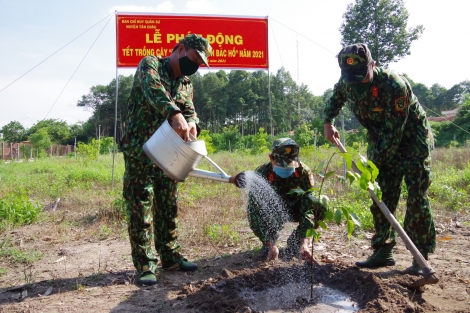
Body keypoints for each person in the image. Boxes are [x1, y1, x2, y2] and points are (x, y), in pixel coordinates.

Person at [323, 43, 436, 274]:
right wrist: (328, 122)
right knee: (382, 195)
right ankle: (383, 251)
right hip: (380, 138)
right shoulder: (348, 80)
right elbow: (336, 98)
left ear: (372, 65)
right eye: (351, 77)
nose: (357, 81)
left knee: (416, 197)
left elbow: (393, 134)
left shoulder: (394, 85)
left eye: (362, 76)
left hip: (412, 140)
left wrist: (370, 167)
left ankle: (419, 256)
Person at [119, 34, 212, 285]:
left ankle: (170, 256)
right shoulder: (150, 65)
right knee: (141, 207)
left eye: (199, 63)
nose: (195, 66)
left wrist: (192, 123)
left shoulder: (185, 83)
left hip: (169, 152)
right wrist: (174, 113)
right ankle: (145, 265)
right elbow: (153, 89)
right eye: (193, 58)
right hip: (141, 150)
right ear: (181, 49)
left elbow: (190, 111)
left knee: (168, 205)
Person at [231, 138, 326, 263]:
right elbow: (256, 206)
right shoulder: (262, 173)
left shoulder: (303, 172)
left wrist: (305, 242)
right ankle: (269, 244)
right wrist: (271, 245)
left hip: (296, 209)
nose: (286, 167)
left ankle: (296, 243)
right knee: (253, 206)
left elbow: (308, 207)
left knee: (318, 204)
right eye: (282, 164)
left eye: (290, 163)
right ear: (271, 158)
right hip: (273, 213)